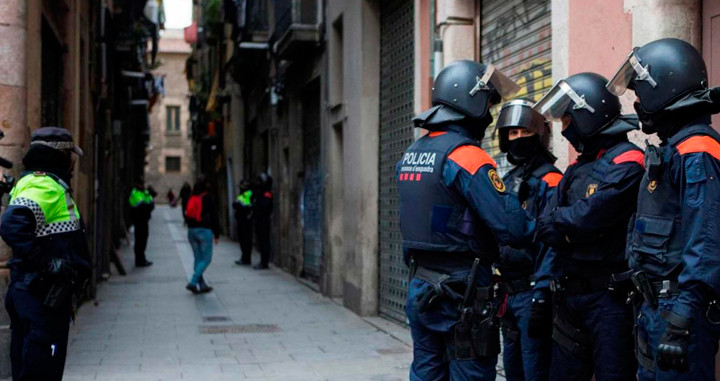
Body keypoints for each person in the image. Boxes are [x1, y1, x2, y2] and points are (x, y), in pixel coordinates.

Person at [398, 60, 535, 380]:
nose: (489, 114)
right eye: (488, 103)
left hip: (422, 286)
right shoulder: (466, 155)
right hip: (463, 292)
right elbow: (512, 226)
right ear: (470, 101)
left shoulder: (413, 153)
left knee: (426, 373)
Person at [608, 38, 720, 379]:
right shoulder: (675, 149)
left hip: (677, 310)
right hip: (654, 307)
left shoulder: (697, 150)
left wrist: (683, 317)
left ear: (665, 88)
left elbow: (705, 240)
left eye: (640, 94)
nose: (638, 104)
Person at [532, 72, 645, 380]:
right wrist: (570, 227)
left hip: (609, 299)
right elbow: (544, 224)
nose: (565, 129)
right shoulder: (575, 168)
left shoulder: (629, 161)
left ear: (587, 115)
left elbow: (589, 217)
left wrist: (566, 225)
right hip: (569, 296)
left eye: (568, 120)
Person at [2, 127, 90, 380]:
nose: (73, 162)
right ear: (59, 155)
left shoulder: (30, 181)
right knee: (41, 372)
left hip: (32, 293)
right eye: (70, 155)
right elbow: (11, 225)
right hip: (39, 297)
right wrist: (49, 265)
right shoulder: (45, 185)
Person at [495, 99, 562, 381]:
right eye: (513, 133)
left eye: (525, 132)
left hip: (533, 293)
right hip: (508, 295)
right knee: (513, 372)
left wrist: (543, 292)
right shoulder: (506, 179)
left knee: (537, 371)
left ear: (540, 135)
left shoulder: (552, 180)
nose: (519, 139)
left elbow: (553, 242)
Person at [184, 179, 220, 293]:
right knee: (206, 259)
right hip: (204, 231)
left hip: (191, 232)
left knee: (198, 259)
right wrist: (217, 233)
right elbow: (215, 216)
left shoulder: (191, 197)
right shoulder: (209, 198)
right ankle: (193, 281)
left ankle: (202, 284)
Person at [128, 182, 154, 267]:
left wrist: (148, 196)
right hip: (139, 221)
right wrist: (148, 201)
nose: (142, 186)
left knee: (143, 240)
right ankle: (139, 260)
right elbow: (144, 205)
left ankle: (142, 259)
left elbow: (151, 203)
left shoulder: (143, 193)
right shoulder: (135, 193)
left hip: (144, 220)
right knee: (140, 241)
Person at [253, 173, 273, 270]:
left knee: (264, 241)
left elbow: (264, 207)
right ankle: (263, 261)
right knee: (261, 241)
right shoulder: (260, 193)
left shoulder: (266, 194)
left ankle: (264, 262)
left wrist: (257, 212)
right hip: (259, 220)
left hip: (263, 220)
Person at [233, 179, 254, 266]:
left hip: (245, 221)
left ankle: (246, 258)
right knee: (243, 240)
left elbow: (245, 205)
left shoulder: (248, 194)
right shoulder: (242, 195)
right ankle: (244, 257)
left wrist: (237, 205)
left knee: (246, 240)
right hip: (241, 220)